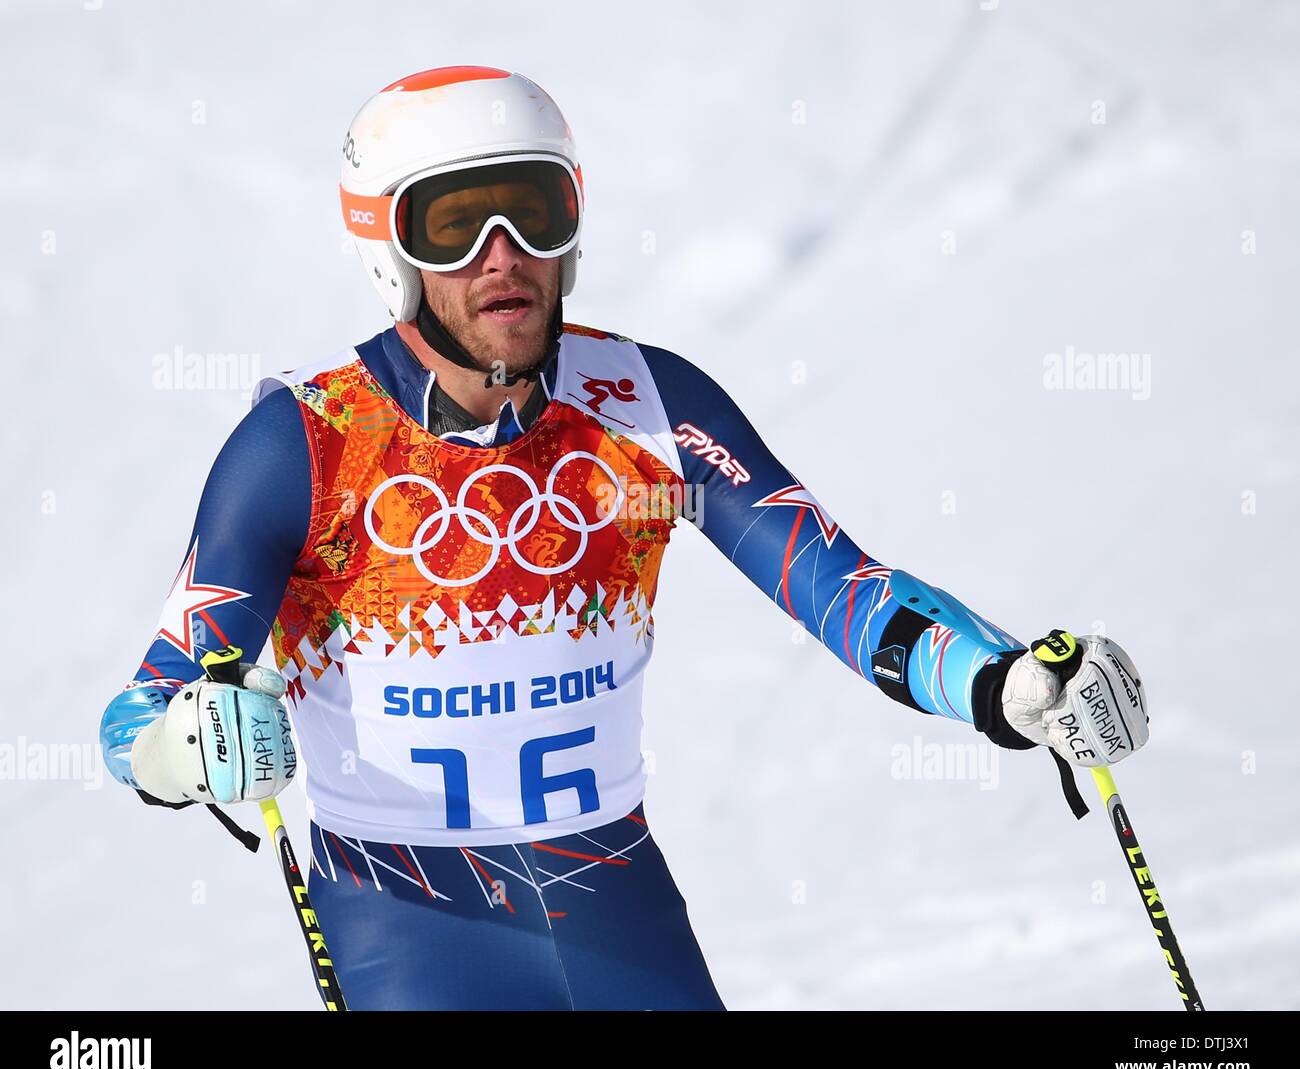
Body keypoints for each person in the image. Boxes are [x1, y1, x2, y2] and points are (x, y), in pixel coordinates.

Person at [99, 66, 1149, 1010]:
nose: (499, 259)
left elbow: (839, 584)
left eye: (532, 212)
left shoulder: (646, 404)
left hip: (613, 907)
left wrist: (1000, 682)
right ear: (389, 250)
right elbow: (141, 712)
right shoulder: (303, 442)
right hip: (407, 925)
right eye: (453, 224)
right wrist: (186, 742)